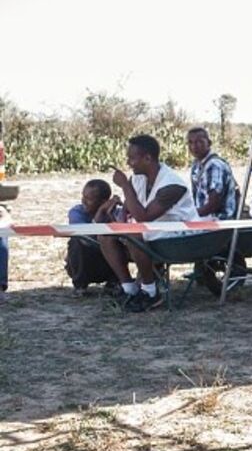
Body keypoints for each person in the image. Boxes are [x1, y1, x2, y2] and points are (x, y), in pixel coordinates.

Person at [99, 134, 199, 312]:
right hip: (153, 232)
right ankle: (129, 288)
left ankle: (150, 291)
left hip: (178, 236)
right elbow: (127, 212)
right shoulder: (137, 179)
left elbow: (144, 217)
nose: (129, 163)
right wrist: (118, 225)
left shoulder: (172, 184)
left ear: (148, 158)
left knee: (135, 233)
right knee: (106, 235)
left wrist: (125, 186)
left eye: (132, 158)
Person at [65, 179, 118, 294]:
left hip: (107, 262)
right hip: (84, 263)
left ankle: (115, 281)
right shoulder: (76, 212)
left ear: (103, 201)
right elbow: (87, 236)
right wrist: (100, 212)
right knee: (77, 240)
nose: (83, 201)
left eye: (88, 199)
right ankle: (80, 285)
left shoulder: (114, 212)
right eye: (83, 197)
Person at [187, 127, 238, 219]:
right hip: (204, 219)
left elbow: (213, 205)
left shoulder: (214, 166)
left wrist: (191, 215)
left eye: (199, 142)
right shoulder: (197, 165)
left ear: (209, 143)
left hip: (218, 221)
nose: (194, 146)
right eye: (190, 142)